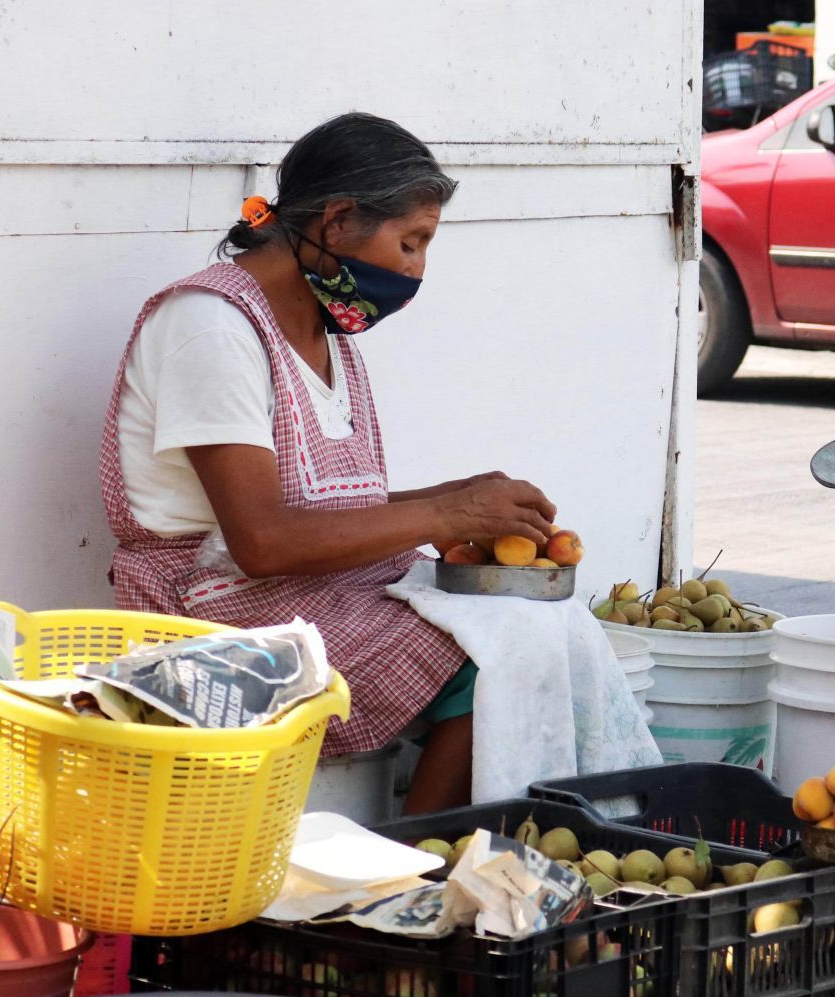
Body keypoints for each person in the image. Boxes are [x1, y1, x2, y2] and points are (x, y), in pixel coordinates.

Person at [99, 113, 555, 811]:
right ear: (338, 220)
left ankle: (423, 855)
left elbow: (326, 504)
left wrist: (457, 495)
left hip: (308, 590)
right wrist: (444, 511)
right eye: (411, 242)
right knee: (498, 651)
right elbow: (263, 540)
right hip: (214, 613)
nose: (416, 269)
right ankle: (417, 864)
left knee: (533, 622)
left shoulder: (323, 330)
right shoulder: (211, 327)